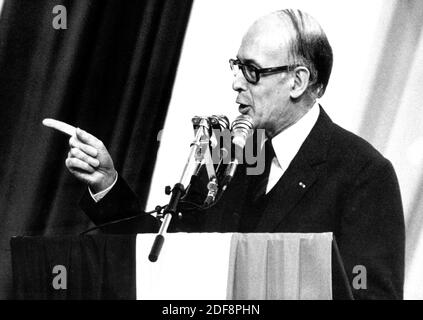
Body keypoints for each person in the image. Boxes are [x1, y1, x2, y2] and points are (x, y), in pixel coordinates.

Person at [65, 9, 405, 299]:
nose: (237, 83)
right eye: (236, 66)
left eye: (252, 71)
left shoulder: (364, 175)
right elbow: (167, 252)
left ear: (298, 82)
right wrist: (107, 184)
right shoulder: (230, 150)